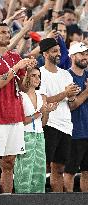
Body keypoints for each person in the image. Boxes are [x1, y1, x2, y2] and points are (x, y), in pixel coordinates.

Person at [0, 22, 37, 194]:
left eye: (9, 32)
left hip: (15, 115)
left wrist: (28, 72)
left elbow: (24, 88)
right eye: (2, 32)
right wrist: (16, 68)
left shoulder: (15, 57)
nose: (7, 35)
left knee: (10, 162)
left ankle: (7, 199)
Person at [39, 37, 81, 192]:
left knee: (59, 168)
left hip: (66, 126)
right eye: (54, 51)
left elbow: (71, 102)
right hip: (49, 124)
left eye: (59, 51)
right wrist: (65, 93)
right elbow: (43, 101)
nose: (58, 54)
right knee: (43, 165)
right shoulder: (40, 74)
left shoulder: (66, 74)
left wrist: (71, 96)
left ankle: (58, 199)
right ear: (45, 53)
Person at [14, 67, 58, 193]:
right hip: (24, 135)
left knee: (39, 171)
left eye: (39, 76)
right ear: (27, 76)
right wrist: (39, 113)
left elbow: (43, 123)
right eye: (33, 75)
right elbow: (21, 121)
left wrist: (47, 112)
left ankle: (38, 199)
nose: (37, 78)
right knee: (24, 170)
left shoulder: (40, 96)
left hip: (39, 135)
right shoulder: (20, 96)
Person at [64, 42, 88, 192]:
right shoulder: (66, 77)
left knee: (86, 172)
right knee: (70, 172)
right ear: (72, 56)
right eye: (81, 54)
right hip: (74, 133)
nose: (85, 57)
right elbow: (72, 105)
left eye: (86, 54)